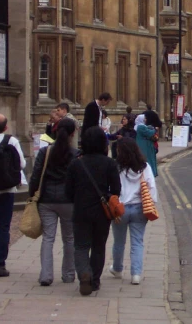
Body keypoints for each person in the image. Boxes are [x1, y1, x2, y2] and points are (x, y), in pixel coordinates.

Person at [65, 126, 121, 296]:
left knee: (81, 246)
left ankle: (84, 273)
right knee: (98, 247)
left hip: (81, 212)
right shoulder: (110, 163)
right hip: (102, 214)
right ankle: (94, 281)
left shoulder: (76, 163)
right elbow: (117, 190)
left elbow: (68, 192)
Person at [29, 118, 78, 286]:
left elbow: (36, 176)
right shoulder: (75, 154)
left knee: (48, 238)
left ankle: (46, 275)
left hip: (47, 199)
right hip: (68, 201)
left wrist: (32, 195)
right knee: (69, 239)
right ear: (72, 133)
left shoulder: (45, 152)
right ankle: (69, 275)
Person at [108, 138, 157, 285]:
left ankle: (117, 269)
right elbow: (151, 187)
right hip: (139, 208)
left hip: (120, 208)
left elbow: (111, 189)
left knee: (119, 241)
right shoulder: (144, 167)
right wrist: (152, 204)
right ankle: (136, 274)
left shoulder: (116, 167)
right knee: (137, 242)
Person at [0, 114, 26, 278]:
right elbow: (22, 164)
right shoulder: (12, 141)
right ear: (5, 128)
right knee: (3, 227)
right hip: (6, 189)